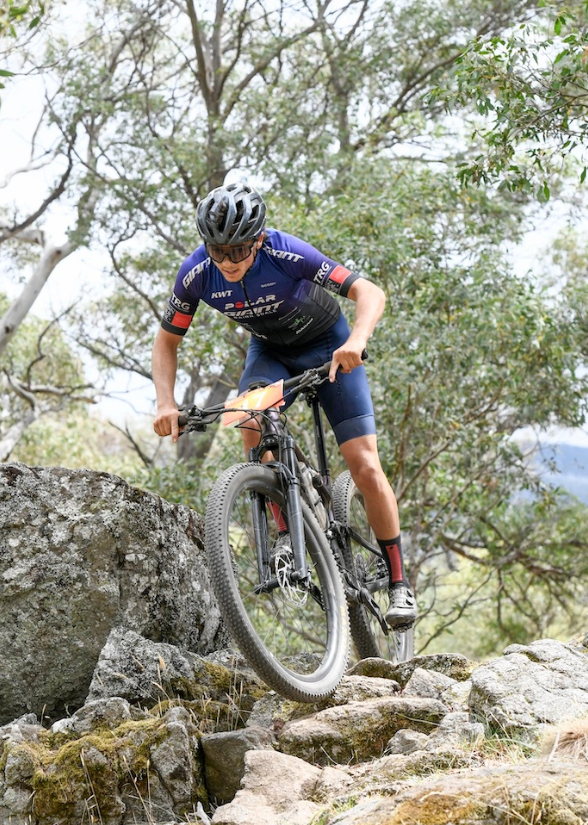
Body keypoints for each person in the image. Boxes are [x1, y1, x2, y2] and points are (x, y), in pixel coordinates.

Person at [151, 182, 416, 627]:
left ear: (258, 240)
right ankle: (286, 532)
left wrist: (356, 340)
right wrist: (165, 403)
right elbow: (166, 342)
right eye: (218, 251)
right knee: (249, 418)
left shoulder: (286, 252)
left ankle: (398, 582)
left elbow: (369, 292)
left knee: (364, 464)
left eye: (239, 250)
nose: (228, 262)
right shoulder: (196, 273)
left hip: (329, 348)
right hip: (271, 353)